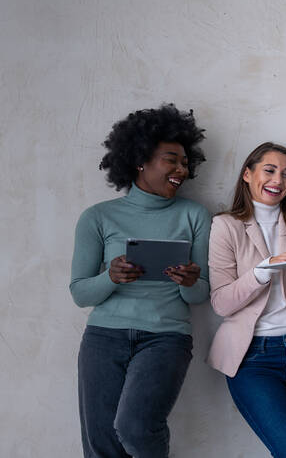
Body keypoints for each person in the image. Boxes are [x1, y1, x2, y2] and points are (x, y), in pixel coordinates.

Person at [70, 104, 210, 458]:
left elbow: (201, 294)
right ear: (140, 161)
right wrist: (111, 277)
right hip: (104, 338)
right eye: (171, 160)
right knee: (101, 445)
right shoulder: (98, 217)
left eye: (184, 162)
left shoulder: (194, 216)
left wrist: (188, 281)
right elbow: (79, 292)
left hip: (165, 339)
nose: (182, 169)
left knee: (135, 427)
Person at [208, 142, 286, 458]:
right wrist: (264, 270)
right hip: (253, 360)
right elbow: (222, 303)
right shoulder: (225, 225)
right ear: (247, 175)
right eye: (270, 170)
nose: (279, 180)